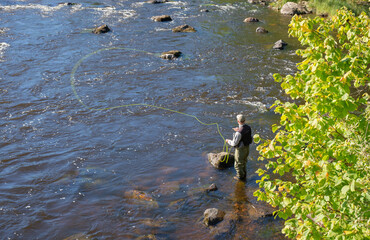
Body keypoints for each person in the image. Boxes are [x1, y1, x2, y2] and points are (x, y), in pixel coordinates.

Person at [226, 114, 252, 181]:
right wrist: (238, 130)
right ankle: (244, 174)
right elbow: (246, 135)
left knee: (238, 164)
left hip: (240, 150)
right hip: (247, 148)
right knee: (244, 161)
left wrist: (228, 141)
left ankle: (240, 177)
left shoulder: (239, 133)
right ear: (244, 120)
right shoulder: (248, 127)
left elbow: (234, 143)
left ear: (238, 121)